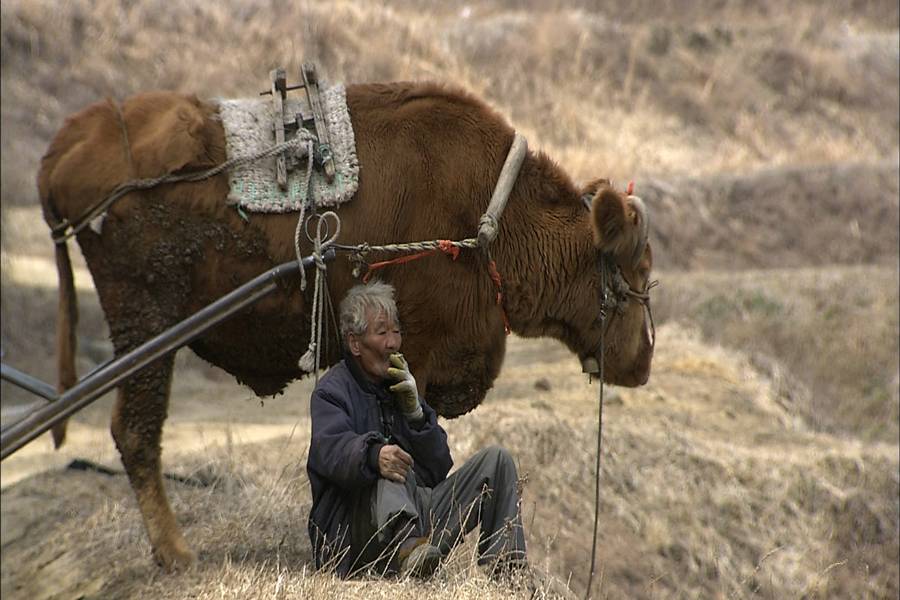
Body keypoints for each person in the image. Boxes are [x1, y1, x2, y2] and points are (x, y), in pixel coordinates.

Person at [306, 280, 527, 579]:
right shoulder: (331, 392)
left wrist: (416, 413)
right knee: (387, 463)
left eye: (396, 331)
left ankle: (507, 568)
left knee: (496, 462)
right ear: (355, 343)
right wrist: (373, 455)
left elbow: (437, 469)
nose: (392, 342)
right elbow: (330, 450)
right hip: (355, 539)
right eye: (381, 332)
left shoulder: (398, 386)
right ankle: (408, 548)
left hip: (417, 529)